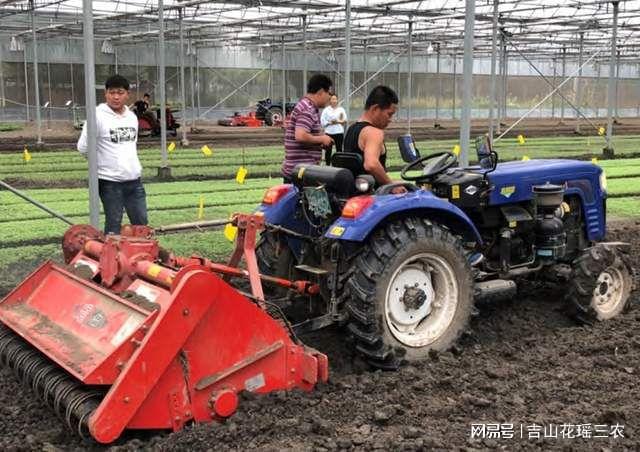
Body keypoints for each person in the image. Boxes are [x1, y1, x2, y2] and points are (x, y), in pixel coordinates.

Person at [77, 74, 148, 235]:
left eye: (120, 92)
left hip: (134, 180)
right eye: (112, 92)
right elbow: (83, 147)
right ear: (106, 94)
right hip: (110, 182)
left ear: (128, 94)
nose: (116, 97)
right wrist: (103, 164)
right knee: (114, 225)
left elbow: (131, 145)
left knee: (142, 225)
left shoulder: (131, 117)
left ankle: (141, 257)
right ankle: (113, 259)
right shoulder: (97, 116)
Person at [343, 85, 406, 194]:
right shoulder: (374, 132)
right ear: (375, 109)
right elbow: (371, 164)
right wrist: (391, 185)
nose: (390, 119)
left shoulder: (351, 130)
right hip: (372, 197)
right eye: (389, 114)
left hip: (351, 194)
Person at [281, 74, 335, 182]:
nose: (330, 97)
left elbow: (305, 136)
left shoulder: (308, 107)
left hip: (300, 171)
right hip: (300, 174)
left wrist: (318, 143)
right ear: (320, 91)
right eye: (329, 93)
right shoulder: (307, 108)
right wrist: (322, 139)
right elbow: (301, 136)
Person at [320, 94, 347, 165]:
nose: (334, 101)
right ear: (330, 101)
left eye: (335, 99)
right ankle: (328, 164)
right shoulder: (326, 110)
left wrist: (337, 122)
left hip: (339, 132)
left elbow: (344, 120)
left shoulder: (341, 109)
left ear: (337, 100)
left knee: (339, 149)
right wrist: (329, 122)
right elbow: (322, 121)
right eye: (332, 99)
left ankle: (339, 164)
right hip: (329, 133)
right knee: (328, 150)